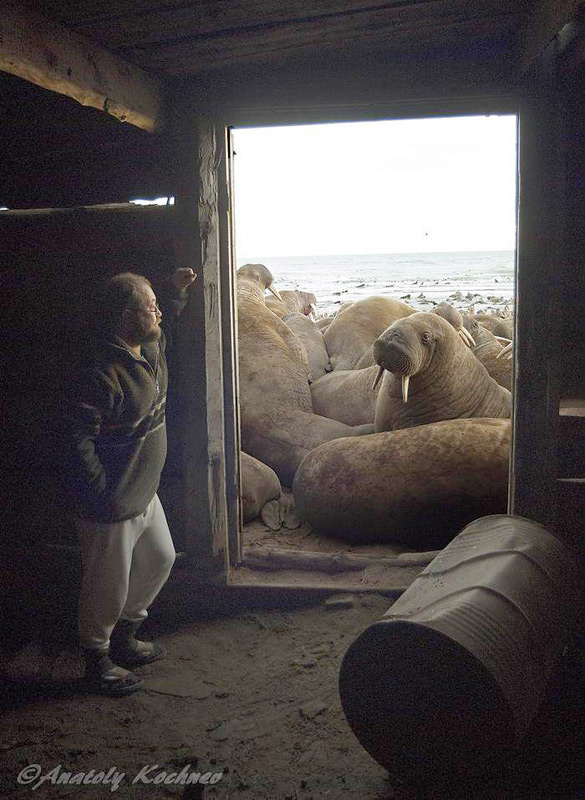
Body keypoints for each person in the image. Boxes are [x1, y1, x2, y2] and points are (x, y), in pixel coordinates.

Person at [65, 268, 197, 695]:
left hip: (143, 492)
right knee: (106, 586)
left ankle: (125, 635)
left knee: (161, 558)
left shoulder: (149, 349)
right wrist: (101, 492)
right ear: (125, 315)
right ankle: (97, 658)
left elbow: (165, 328)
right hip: (112, 503)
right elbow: (74, 438)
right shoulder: (100, 372)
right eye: (149, 305)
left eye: (157, 303)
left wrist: (174, 296)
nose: (157, 310)